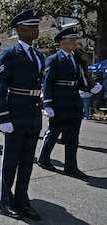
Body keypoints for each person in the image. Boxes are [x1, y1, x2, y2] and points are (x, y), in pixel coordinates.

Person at [0, 8, 45, 220]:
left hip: (32, 114)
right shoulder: (9, 54)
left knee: (27, 162)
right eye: (32, 27)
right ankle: (5, 200)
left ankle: (22, 198)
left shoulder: (39, 55)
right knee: (10, 161)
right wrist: (3, 117)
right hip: (14, 114)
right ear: (21, 30)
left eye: (36, 27)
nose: (36, 30)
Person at [37, 27, 102, 179]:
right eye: (71, 40)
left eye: (75, 40)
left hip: (74, 103)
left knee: (73, 136)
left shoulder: (76, 59)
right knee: (53, 133)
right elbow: (48, 83)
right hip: (59, 103)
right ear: (62, 42)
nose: (75, 43)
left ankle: (71, 166)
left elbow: (78, 81)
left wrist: (90, 88)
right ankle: (44, 158)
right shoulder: (54, 59)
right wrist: (47, 104)